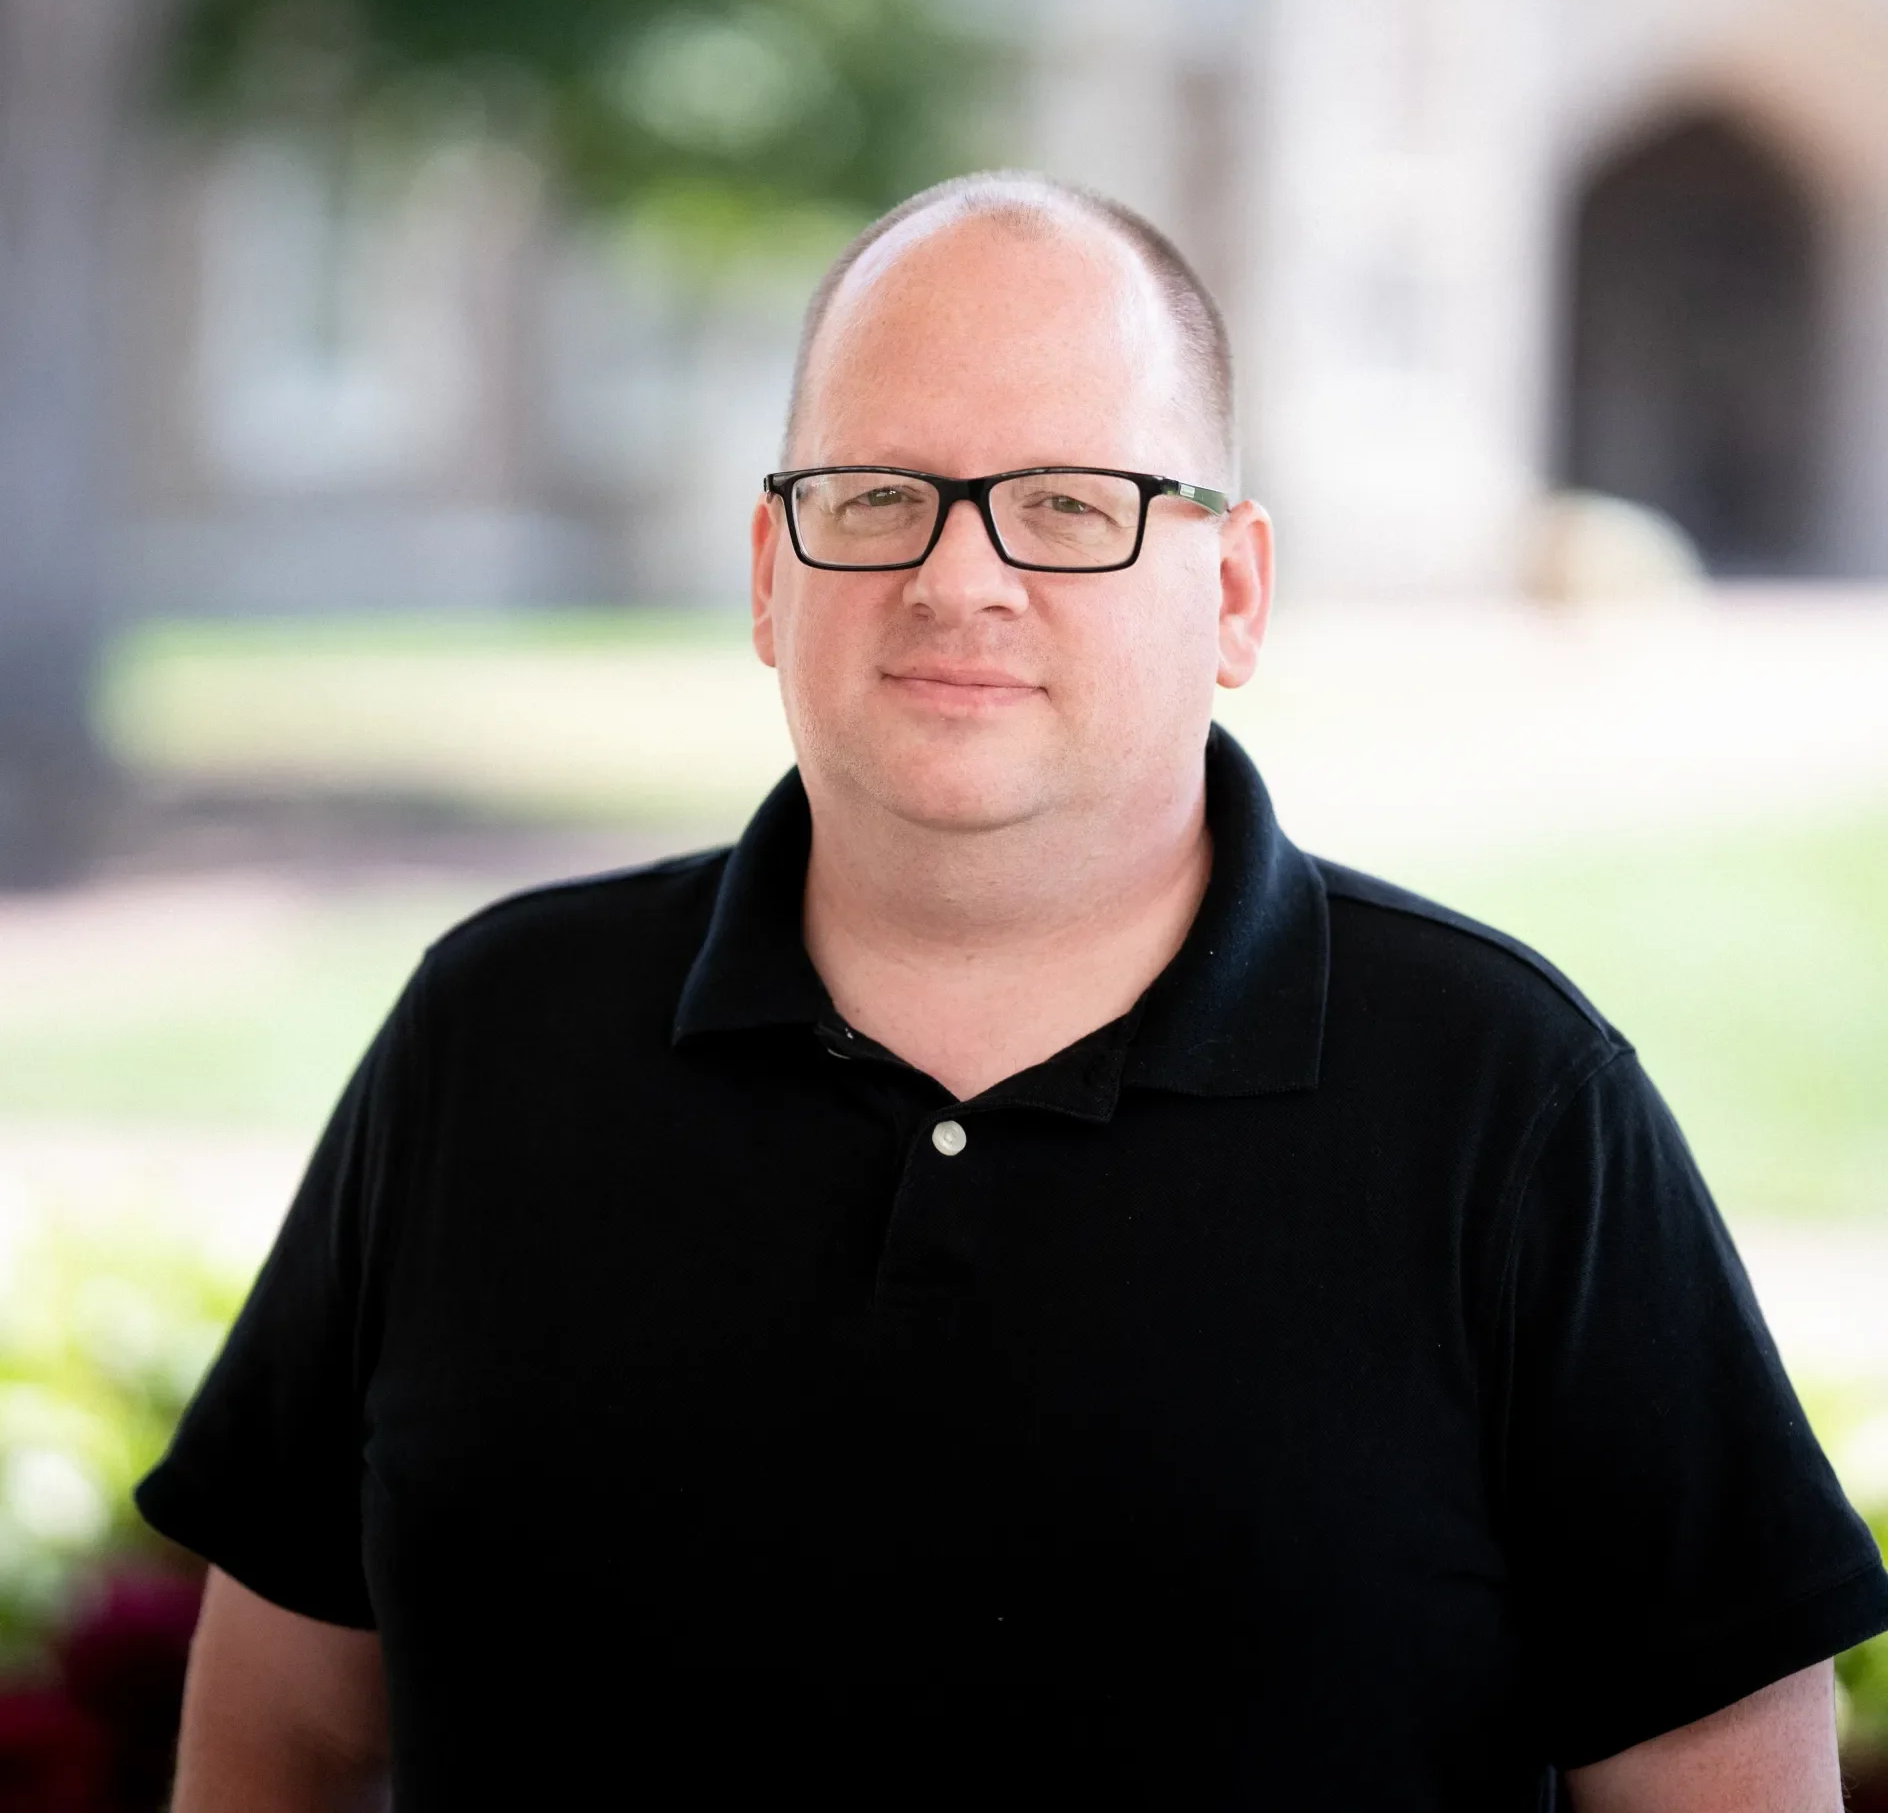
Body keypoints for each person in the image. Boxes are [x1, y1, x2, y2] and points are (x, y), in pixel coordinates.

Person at [139, 173, 1887, 1812]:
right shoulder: (492, 1038)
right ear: (771, 574)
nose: (957, 577)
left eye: (1070, 505)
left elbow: (1716, 1771)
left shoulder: (1511, 1102)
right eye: (878, 496)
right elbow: (279, 1726)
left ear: (1236, 591)